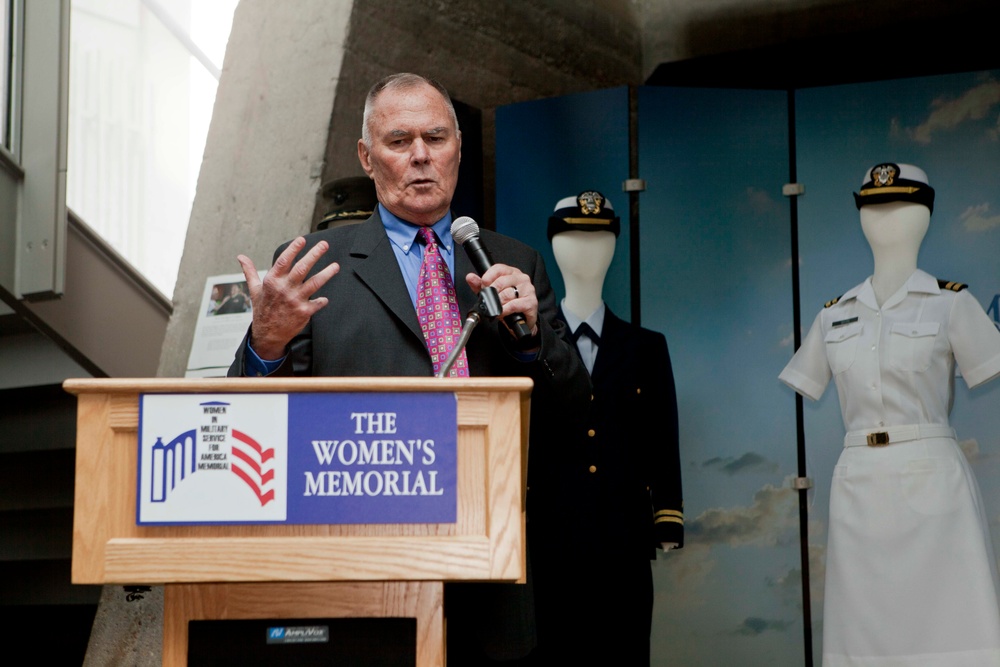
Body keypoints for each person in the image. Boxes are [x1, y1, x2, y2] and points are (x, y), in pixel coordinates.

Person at [228, 72, 590, 664]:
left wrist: (530, 343)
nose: (421, 155)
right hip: (362, 566)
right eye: (399, 142)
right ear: (368, 159)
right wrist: (266, 341)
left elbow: (573, 413)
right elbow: (250, 426)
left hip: (489, 561)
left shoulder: (513, 260)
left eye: (436, 137)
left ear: (458, 151)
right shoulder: (317, 265)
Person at [779, 163, 1000, 666]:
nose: (886, 219)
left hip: (933, 480)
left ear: (925, 215)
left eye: (901, 206)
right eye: (874, 207)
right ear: (859, 217)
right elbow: (810, 379)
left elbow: (985, 363)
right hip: (859, 481)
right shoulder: (833, 315)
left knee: (951, 625)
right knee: (861, 634)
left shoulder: (951, 304)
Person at [525, 191, 683, 666]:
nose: (587, 249)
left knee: (626, 650)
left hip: (624, 542)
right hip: (550, 539)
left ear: (616, 246)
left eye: (599, 237)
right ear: (552, 246)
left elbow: (662, 436)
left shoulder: (645, 348)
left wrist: (668, 514)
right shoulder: (528, 347)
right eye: (574, 236)